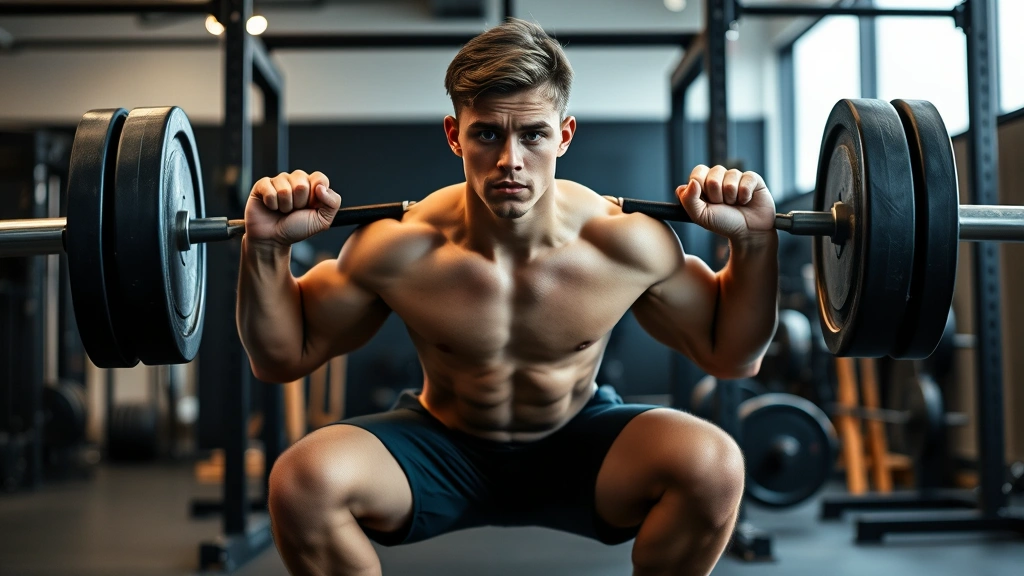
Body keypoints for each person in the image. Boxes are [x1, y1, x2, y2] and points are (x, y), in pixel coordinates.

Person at [236, 17, 778, 576]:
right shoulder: (397, 248)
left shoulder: (625, 243)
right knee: (302, 482)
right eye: (488, 133)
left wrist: (755, 243)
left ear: (564, 135)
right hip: (442, 448)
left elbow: (731, 355)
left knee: (713, 465)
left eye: (534, 134)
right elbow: (280, 358)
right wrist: (266, 249)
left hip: (579, 446)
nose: (510, 160)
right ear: (455, 135)